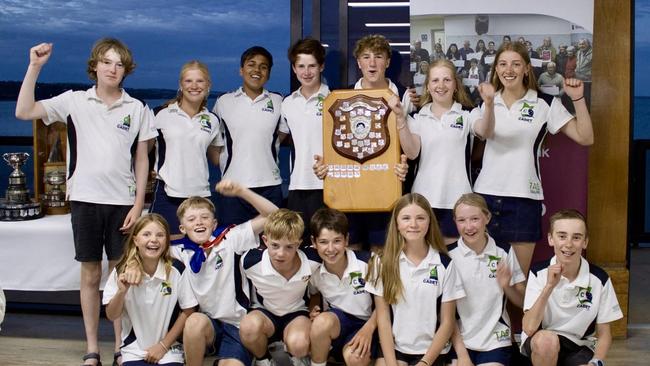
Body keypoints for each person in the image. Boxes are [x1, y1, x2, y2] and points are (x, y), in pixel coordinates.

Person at [15, 39, 157, 366]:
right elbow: (23, 111)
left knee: (122, 278)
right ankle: (92, 347)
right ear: (95, 66)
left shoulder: (137, 109)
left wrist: (138, 205)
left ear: (126, 71)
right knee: (91, 277)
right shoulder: (74, 102)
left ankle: (122, 347)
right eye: (107, 62)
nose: (112, 69)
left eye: (119, 64)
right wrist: (35, 66)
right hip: (84, 201)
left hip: (123, 204)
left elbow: (141, 161)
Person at [474, 42, 594, 276]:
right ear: (496, 69)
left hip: (524, 201)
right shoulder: (485, 102)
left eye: (516, 64)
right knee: (483, 280)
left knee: (516, 282)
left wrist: (578, 99)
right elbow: (484, 133)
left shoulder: (545, 104)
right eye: (503, 64)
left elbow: (585, 137)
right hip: (485, 198)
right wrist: (488, 103)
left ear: (526, 68)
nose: (509, 70)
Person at [313, 34, 409, 251]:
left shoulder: (405, 97)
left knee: (382, 257)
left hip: (387, 191)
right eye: (366, 57)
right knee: (351, 255)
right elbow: (334, 144)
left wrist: (406, 166)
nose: (372, 63)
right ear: (358, 62)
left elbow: (412, 145)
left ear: (388, 62)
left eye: (378, 56)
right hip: (350, 192)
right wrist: (325, 166)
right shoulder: (340, 97)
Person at [389, 59, 495, 244]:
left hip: (458, 201)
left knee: (454, 261)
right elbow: (412, 152)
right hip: (423, 201)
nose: (441, 85)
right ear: (428, 86)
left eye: (447, 80)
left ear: (455, 85)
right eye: (435, 80)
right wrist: (400, 118)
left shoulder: (467, 113)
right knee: (427, 260)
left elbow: (485, 131)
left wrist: (489, 104)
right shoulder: (417, 116)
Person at [365, 193, 466, 366]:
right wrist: (391, 363)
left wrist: (425, 363)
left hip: (432, 351)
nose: (413, 224)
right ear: (396, 223)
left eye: (420, 218)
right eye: (406, 218)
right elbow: (383, 318)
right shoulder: (381, 262)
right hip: (395, 350)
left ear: (429, 222)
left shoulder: (444, 264)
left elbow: (448, 322)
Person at [521, 209, 623, 366]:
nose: (568, 244)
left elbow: (604, 333)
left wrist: (596, 362)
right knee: (547, 342)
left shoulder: (599, 278)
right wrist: (549, 286)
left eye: (576, 237)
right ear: (550, 239)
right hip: (541, 342)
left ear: (585, 242)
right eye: (562, 236)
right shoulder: (538, 272)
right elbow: (529, 328)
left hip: (579, 346)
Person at [103, 214, 197, 366]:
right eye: (146, 234)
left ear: (166, 241)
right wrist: (122, 291)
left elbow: (188, 310)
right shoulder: (121, 271)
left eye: (160, 235)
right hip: (134, 350)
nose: (154, 240)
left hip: (169, 350)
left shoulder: (177, 270)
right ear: (135, 240)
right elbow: (111, 315)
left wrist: (163, 345)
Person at [447, 193, 526, 366]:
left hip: (495, 340)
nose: (469, 227)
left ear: (487, 217)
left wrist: (507, 286)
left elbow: (522, 302)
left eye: (475, 218)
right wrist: (462, 355)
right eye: (461, 220)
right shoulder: (448, 256)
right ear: (455, 222)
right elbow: (444, 314)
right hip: (458, 341)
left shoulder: (503, 252)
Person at [239, 209, 321, 366]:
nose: (281, 253)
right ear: (265, 240)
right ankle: (263, 360)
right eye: (275, 245)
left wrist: (314, 306)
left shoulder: (313, 260)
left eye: (289, 247)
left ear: (298, 244)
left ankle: (297, 356)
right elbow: (239, 290)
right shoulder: (250, 262)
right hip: (265, 313)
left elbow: (317, 290)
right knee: (248, 326)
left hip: (296, 313)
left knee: (299, 344)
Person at [212, 46, 283, 226]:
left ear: (269, 73)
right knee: (232, 248)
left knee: (272, 247)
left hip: (270, 187)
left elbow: (282, 135)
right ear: (241, 70)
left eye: (263, 66)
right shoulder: (223, 102)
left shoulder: (279, 101)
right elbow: (213, 144)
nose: (257, 70)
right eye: (251, 64)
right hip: (232, 190)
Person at [151, 60, 221, 235]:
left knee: (199, 253)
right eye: (189, 81)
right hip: (168, 195)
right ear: (180, 84)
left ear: (208, 85)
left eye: (200, 81)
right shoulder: (160, 114)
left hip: (201, 197)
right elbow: (143, 153)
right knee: (170, 254)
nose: (194, 86)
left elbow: (217, 159)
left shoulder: (212, 119)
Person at [308, 208, 377, 366]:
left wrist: (368, 329)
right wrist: (313, 308)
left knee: (355, 358)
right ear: (314, 242)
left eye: (337, 241)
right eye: (324, 242)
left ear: (346, 240)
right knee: (321, 323)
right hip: (337, 323)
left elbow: (384, 304)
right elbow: (314, 295)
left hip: (367, 323)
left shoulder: (369, 263)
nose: (331, 249)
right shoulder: (314, 270)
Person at [279, 38, 329, 244]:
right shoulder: (288, 103)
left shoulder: (334, 99)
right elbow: (278, 138)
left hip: (329, 185)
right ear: (294, 68)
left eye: (312, 66)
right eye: (301, 66)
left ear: (321, 66)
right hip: (298, 185)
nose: (306, 72)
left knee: (328, 244)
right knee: (300, 244)